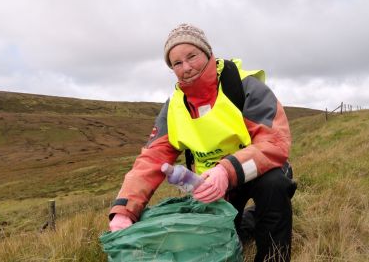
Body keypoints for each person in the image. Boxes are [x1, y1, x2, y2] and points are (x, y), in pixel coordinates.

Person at [108, 23, 295, 262]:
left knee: (273, 185)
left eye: (192, 56)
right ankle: (246, 222)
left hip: (254, 170)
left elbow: (274, 143)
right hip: (211, 188)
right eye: (176, 63)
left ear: (207, 53)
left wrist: (226, 171)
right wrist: (124, 211)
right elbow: (151, 160)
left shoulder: (245, 86)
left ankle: (273, 257)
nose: (186, 67)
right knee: (227, 237)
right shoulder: (174, 108)